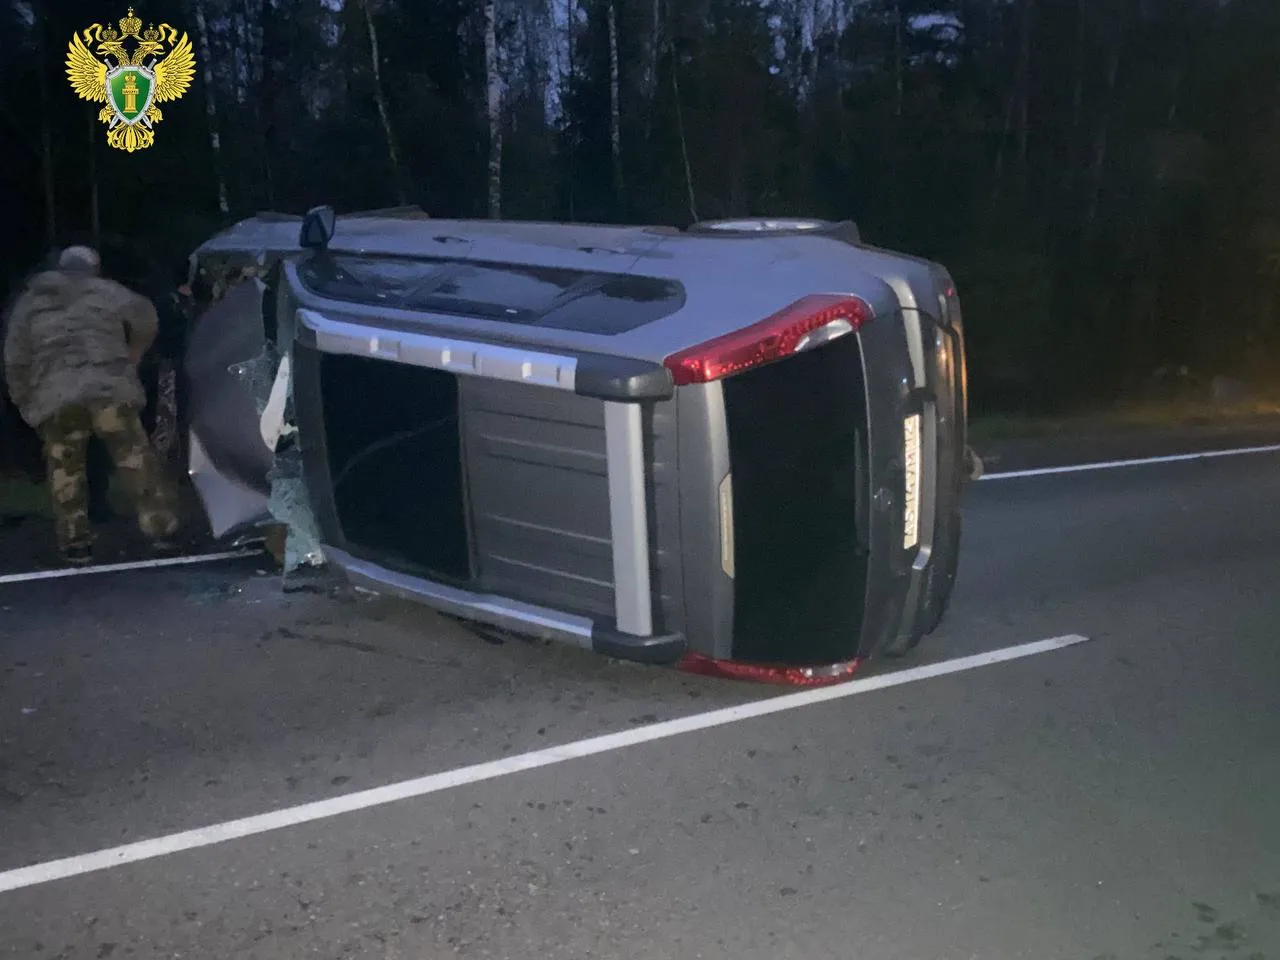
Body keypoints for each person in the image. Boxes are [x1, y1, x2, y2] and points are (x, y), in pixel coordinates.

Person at [2, 245, 180, 565]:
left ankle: (76, 543)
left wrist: (24, 400)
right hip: (109, 389)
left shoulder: (30, 303)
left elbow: (16, 358)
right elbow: (146, 315)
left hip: (56, 397)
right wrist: (134, 354)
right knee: (135, 459)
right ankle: (161, 530)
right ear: (94, 268)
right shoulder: (108, 291)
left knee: (65, 468)